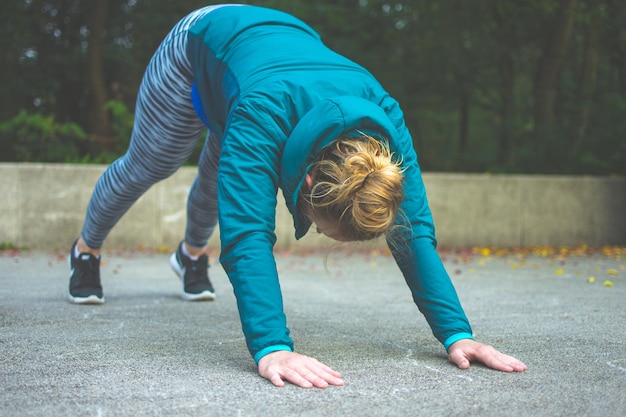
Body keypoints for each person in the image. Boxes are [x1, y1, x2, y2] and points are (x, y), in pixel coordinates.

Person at [68, 4, 527, 388]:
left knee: (217, 178)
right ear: (307, 185)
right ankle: (85, 251)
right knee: (155, 164)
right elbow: (247, 234)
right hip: (203, 41)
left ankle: (190, 257)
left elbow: (415, 232)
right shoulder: (262, 113)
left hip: (283, 45)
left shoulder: (385, 121)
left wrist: (457, 334)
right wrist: (272, 346)